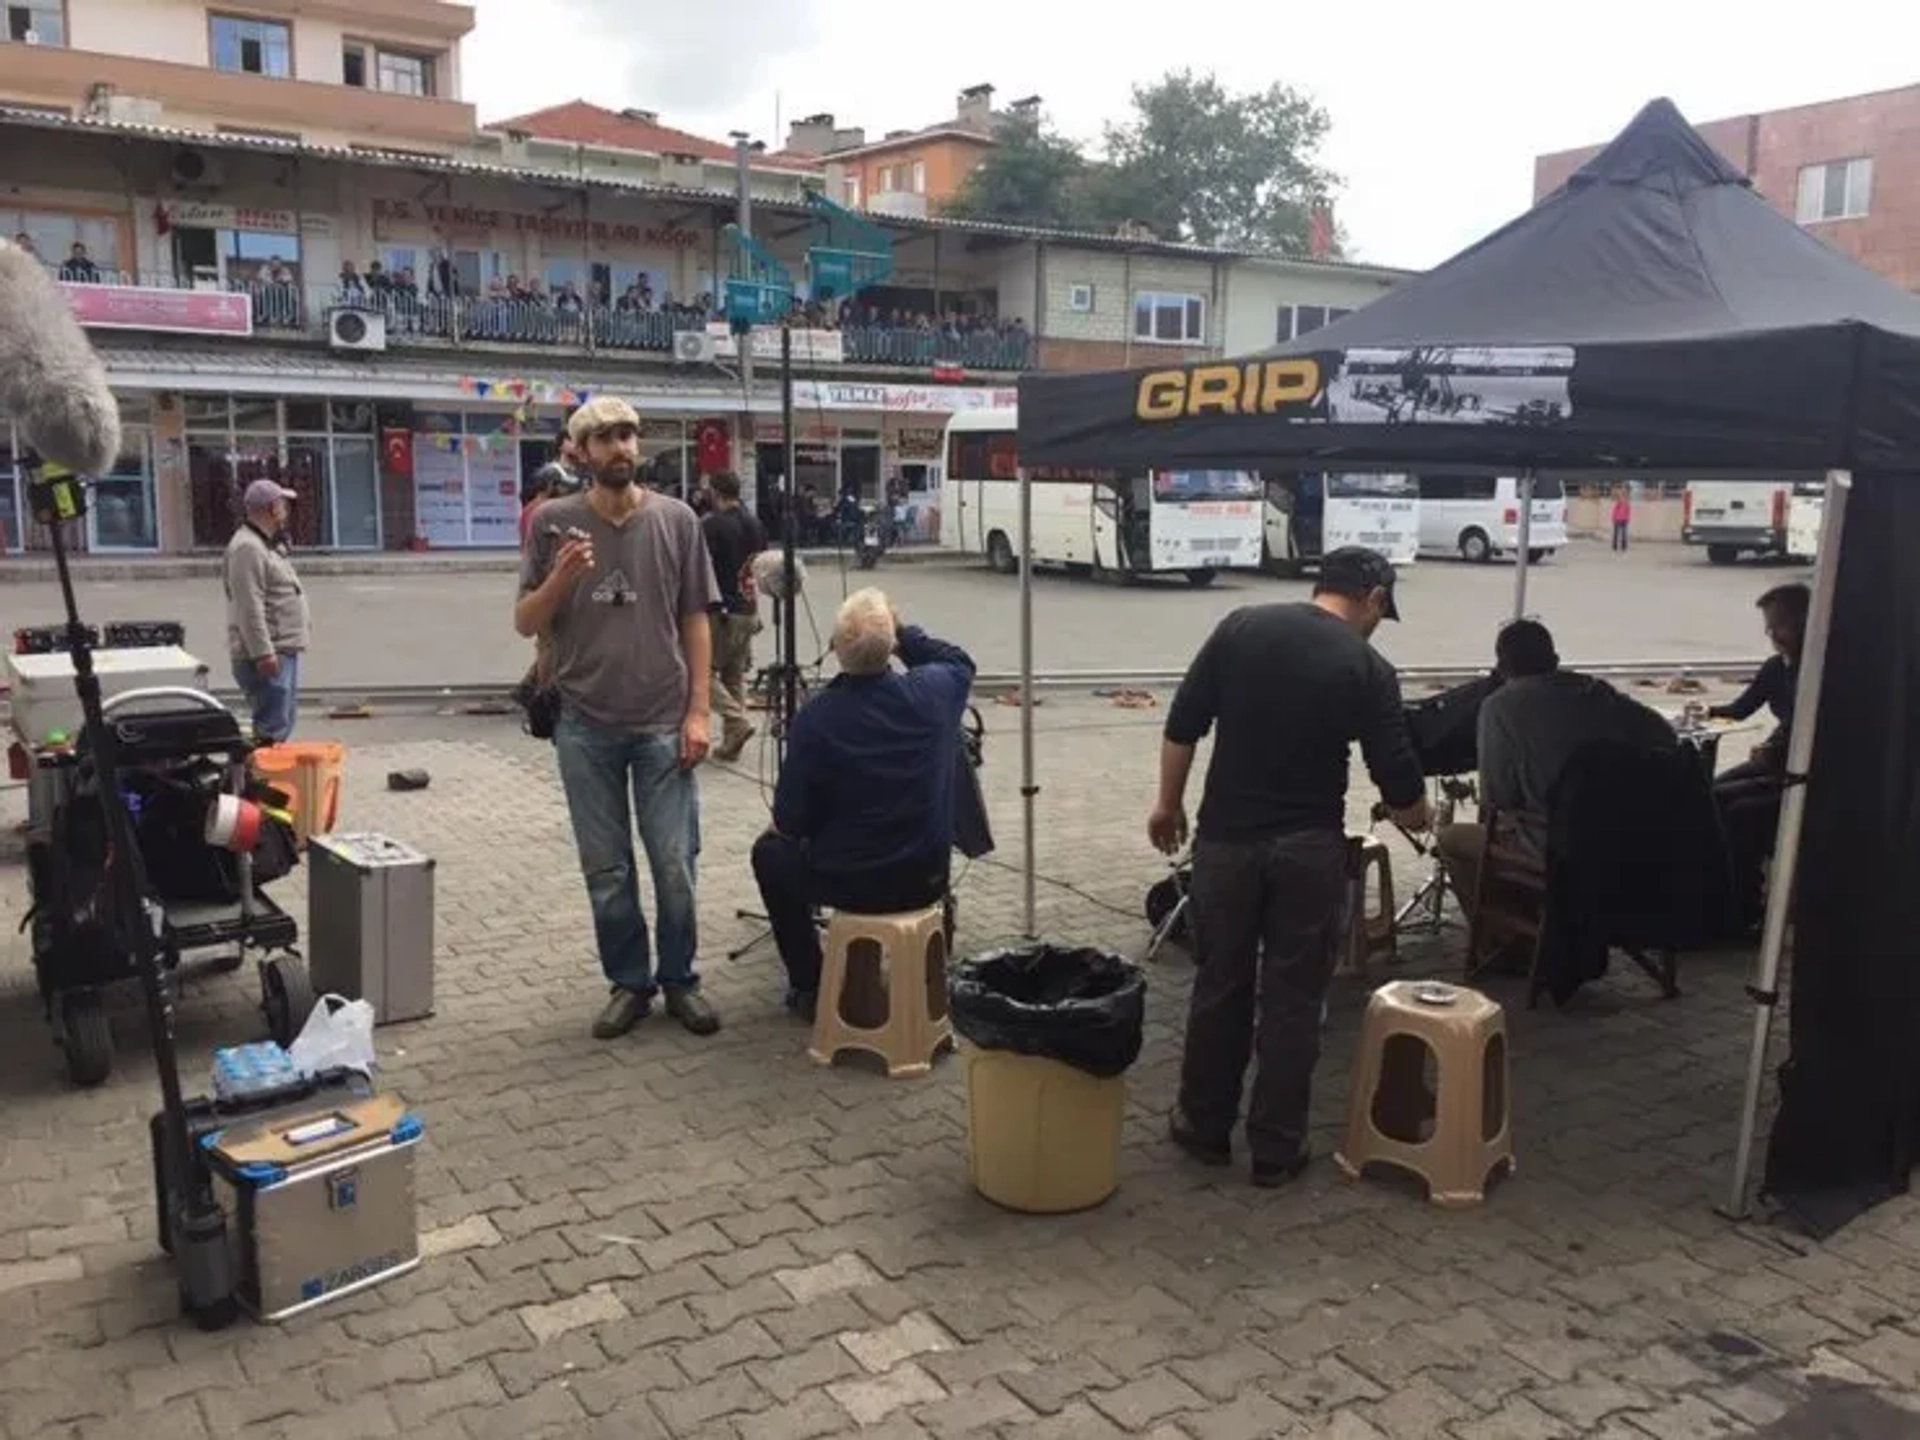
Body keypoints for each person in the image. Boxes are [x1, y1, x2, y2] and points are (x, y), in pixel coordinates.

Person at [1151, 548, 1430, 1187]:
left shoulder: (1240, 626)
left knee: (1220, 983)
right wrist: (1415, 814)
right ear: (1375, 600)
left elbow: (1183, 722)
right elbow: (1402, 783)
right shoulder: (1367, 664)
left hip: (1226, 843)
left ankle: (1203, 1127)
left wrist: (1167, 805)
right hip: (1309, 851)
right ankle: (1276, 1149)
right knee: (1294, 998)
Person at [515, 397, 722, 1040]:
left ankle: (681, 980)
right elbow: (526, 620)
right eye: (603, 438)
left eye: (627, 434)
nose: (619, 448)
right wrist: (559, 580)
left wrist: (699, 711)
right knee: (606, 869)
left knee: (674, 865)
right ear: (579, 452)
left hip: (664, 722)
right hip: (584, 725)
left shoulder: (678, 520)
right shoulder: (552, 523)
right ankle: (629, 983)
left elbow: (696, 618)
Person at [750, 589, 974, 1019]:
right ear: (892, 645)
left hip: (847, 884)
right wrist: (902, 630)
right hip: (925, 875)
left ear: (835, 651)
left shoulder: (816, 720)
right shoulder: (933, 695)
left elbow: (790, 823)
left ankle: (810, 985)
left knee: (769, 853)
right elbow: (958, 660)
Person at [1435, 619, 1676, 913]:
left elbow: (1498, 799)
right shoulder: (1597, 692)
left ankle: (1500, 939)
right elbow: (1665, 737)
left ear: (1501, 668)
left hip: (1552, 847)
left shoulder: (1500, 707)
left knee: (1450, 838)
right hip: (1623, 841)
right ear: (1555, 659)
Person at [1711, 583, 1809, 929]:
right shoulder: (1775, 668)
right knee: (1710, 795)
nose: (1772, 634)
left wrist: (1777, 751)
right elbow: (1740, 710)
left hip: (1803, 774)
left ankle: (1746, 908)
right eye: (1768, 626)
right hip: (1775, 761)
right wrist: (1703, 711)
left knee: (1739, 813)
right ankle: (1722, 896)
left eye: (1778, 625)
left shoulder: (1820, 672)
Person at [223, 479, 310, 744]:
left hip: (281, 649)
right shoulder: (247, 547)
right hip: (268, 653)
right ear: (273, 507)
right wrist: (263, 653)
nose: (286, 511)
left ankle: (268, 777)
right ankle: (262, 780)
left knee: (279, 725)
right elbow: (249, 607)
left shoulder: (264, 544)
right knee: (272, 731)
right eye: (283, 505)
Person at [701, 471, 767, 762]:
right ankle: (731, 743)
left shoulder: (712, 525)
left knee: (701, 673)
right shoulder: (755, 524)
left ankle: (737, 720)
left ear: (715, 491)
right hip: (748, 608)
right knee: (734, 676)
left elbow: (700, 567)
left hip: (722, 610)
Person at [1610, 486, 1632, 552]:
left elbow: (1628, 512)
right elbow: (1614, 511)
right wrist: (1613, 518)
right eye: (1622, 497)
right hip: (1617, 520)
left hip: (1624, 520)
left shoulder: (1627, 504)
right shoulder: (1618, 504)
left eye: (1624, 497)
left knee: (1624, 534)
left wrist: (1628, 519)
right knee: (1616, 533)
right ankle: (1614, 546)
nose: (1623, 498)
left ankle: (1624, 546)